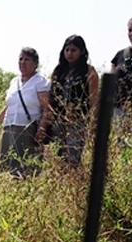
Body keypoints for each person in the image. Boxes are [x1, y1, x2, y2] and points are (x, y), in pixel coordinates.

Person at [0, 47, 50, 178]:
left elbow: (47, 108)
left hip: (28, 130)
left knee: (26, 169)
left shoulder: (41, 82)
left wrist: (42, 128)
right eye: (20, 59)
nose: (22, 62)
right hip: (9, 129)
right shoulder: (14, 81)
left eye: (27, 59)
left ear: (35, 63)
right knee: (7, 167)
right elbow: (10, 105)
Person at [45, 35, 99, 167]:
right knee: (57, 158)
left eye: (73, 50)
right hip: (58, 120)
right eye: (67, 50)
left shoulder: (88, 71)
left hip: (77, 122)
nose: (69, 53)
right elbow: (51, 98)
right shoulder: (59, 71)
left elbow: (94, 99)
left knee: (73, 158)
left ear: (81, 51)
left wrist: (94, 124)